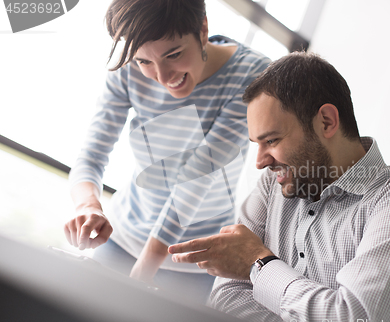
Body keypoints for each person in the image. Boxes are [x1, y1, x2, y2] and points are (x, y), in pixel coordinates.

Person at [168, 52, 390, 322]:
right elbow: (227, 297)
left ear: (326, 121)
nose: (260, 161)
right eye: (257, 143)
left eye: (272, 140)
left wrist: (260, 264)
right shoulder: (274, 186)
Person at [63, 0, 270, 304]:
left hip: (197, 256)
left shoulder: (253, 74)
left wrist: (145, 268)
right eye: (144, 62)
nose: (162, 76)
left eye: (173, 54)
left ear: (202, 29)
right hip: (124, 236)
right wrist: (88, 206)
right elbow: (92, 153)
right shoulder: (127, 65)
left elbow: (198, 177)